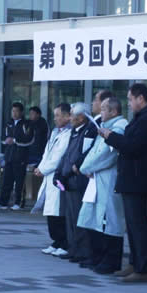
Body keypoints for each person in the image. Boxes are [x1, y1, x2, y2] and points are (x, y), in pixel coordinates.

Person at [102, 83, 147, 282]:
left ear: (140, 99)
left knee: (139, 225)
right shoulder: (140, 118)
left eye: (130, 99)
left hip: (139, 179)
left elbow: (134, 147)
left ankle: (143, 268)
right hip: (131, 178)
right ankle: (135, 263)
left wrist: (111, 137)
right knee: (132, 224)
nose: (128, 103)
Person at [77, 96, 128, 275]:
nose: (101, 111)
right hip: (98, 178)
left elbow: (106, 155)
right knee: (96, 218)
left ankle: (111, 261)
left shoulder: (119, 126)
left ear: (114, 111)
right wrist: (87, 167)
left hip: (109, 179)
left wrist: (85, 167)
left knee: (110, 220)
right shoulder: (105, 126)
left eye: (105, 108)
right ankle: (97, 256)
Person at [55, 102, 98, 263]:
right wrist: (59, 173)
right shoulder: (74, 131)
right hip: (67, 179)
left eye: (73, 115)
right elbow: (67, 154)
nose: (70, 118)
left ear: (81, 117)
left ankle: (83, 251)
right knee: (70, 218)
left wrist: (70, 170)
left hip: (77, 180)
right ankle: (73, 248)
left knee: (80, 218)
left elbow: (83, 156)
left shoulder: (89, 131)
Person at [33, 103, 72, 257]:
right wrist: (40, 167)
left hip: (57, 176)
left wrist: (43, 169)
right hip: (48, 176)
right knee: (50, 210)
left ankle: (64, 242)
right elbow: (47, 153)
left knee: (58, 211)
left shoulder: (68, 134)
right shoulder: (56, 132)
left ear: (67, 116)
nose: (55, 118)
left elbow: (58, 157)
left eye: (58, 115)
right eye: (55, 115)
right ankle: (56, 241)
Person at [0, 102, 34, 210]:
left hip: (21, 157)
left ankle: (18, 203)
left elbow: (30, 140)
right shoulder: (8, 124)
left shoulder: (26, 124)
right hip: (9, 156)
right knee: (6, 180)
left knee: (19, 181)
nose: (14, 113)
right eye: (13, 111)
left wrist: (15, 140)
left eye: (16, 111)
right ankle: (2, 202)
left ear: (21, 112)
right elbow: (2, 137)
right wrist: (6, 141)